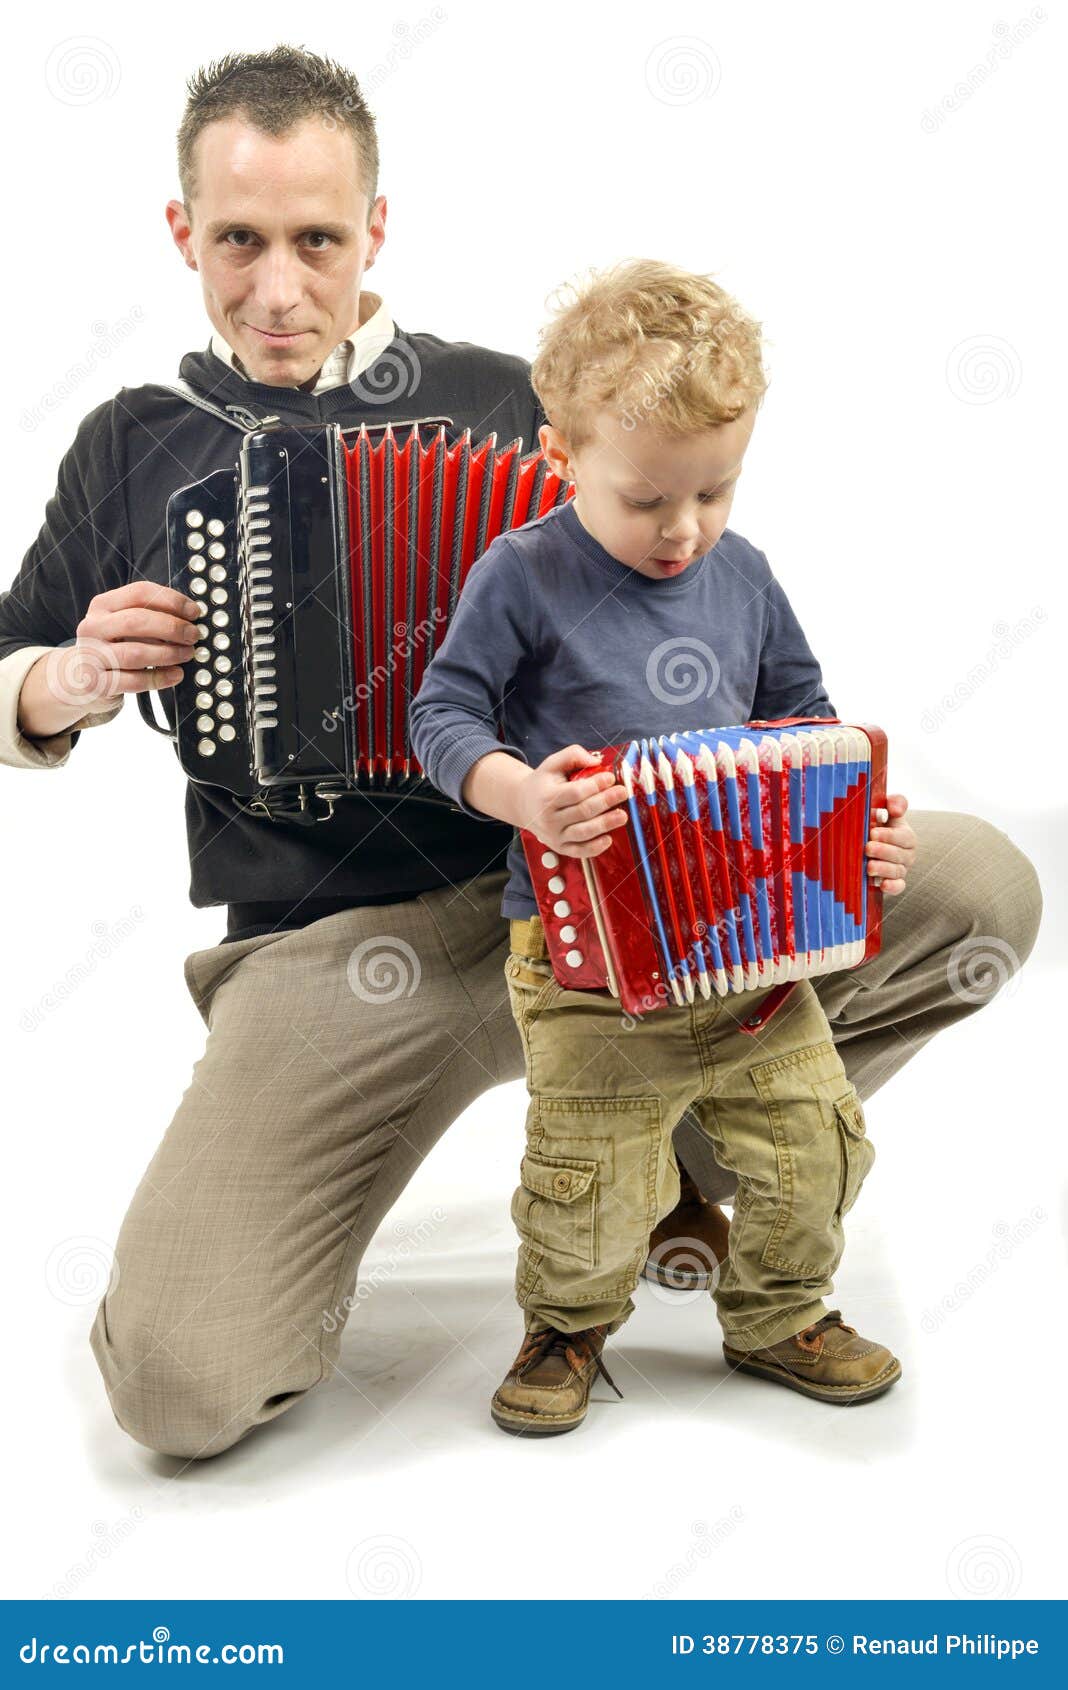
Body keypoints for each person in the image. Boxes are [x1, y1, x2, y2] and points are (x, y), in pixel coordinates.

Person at [0, 49, 1041, 1462]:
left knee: (974, 886)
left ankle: (672, 1147)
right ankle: (581, 1161)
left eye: (319, 239)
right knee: (179, 1389)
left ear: (377, 228)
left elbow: (712, 644)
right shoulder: (132, 442)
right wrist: (61, 679)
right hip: (326, 954)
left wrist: (809, 811)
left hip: (599, 903)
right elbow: (12, 656)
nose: (280, 288)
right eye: (239, 240)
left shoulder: (523, 408)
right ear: (184, 232)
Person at [411, 260, 915, 1434]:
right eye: (645, 499)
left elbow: (807, 725)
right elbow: (441, 715)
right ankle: (568, 1325)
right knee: (589, 1165)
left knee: (812, 1141)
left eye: (715, 491)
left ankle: (781, 1311)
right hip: (581, 957)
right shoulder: (523, 574)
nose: (683, 528)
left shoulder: (744, 577)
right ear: (560, 457)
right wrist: (524, 797)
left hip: (747, 949)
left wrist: (857, 837)